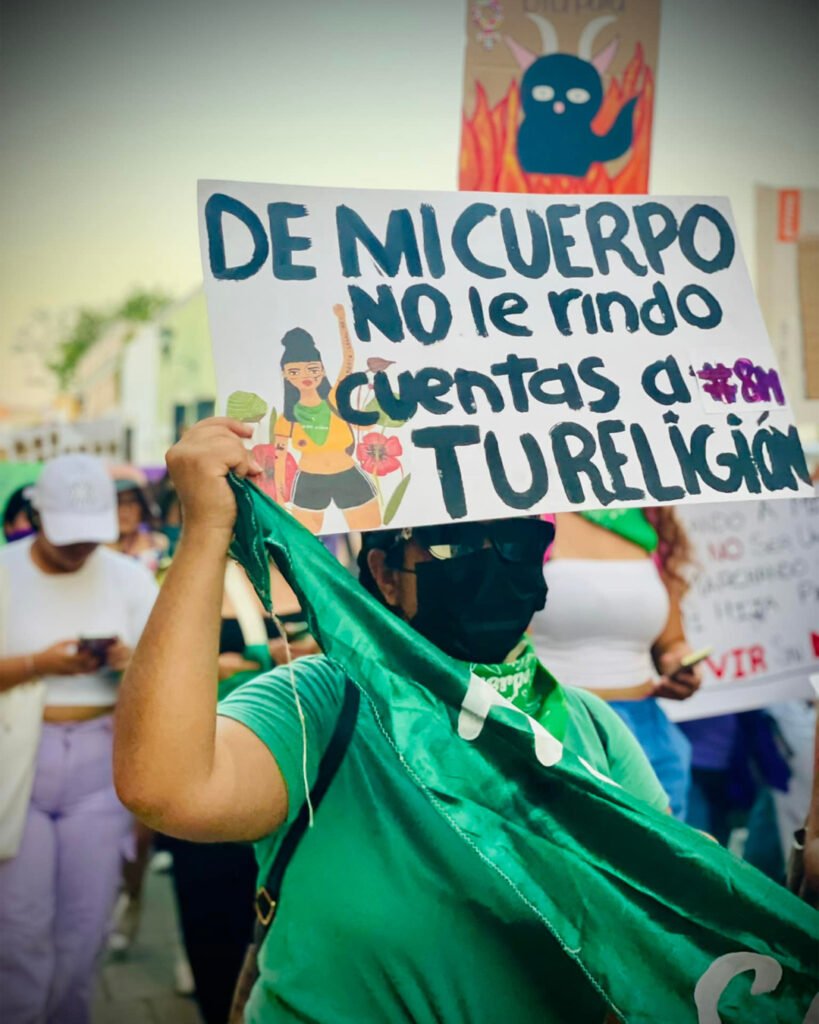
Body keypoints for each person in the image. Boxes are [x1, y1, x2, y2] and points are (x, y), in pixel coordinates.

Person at [114, 418, 672, 1024]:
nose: (486, 567)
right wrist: (205, 533)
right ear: (383, 575)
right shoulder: (320, 705)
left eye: (514, 541)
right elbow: (165, 787)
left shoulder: (589, 733)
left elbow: (664, 925)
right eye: (449, 545)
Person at [0, 454, 158, 1024]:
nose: (78, 550)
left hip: (100, 757)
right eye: (67, 535)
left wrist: (127, 660)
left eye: (89, 537)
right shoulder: (5, 571)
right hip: (19, 760)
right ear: (38, 515)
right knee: (18, 931)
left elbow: (161, 675)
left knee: (85, 926)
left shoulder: (130, 577)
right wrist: (37, 664)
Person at [529, 509, 702, 818]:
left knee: (669, 858)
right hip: (562, 727)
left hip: (650, 732)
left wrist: (682, 666)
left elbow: (672, 642)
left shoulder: (647, 520)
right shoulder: (530, 517)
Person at [273, 306, 381, 533]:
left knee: (372, 532)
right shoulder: (288, 418)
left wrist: (341, 320)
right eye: (294, 371)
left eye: (312, 369)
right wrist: (279, 495)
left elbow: (349, 358)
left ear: (322, 370)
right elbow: (279, 458)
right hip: (309, 482)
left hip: (348, 475)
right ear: (285, 374)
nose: (305, 376)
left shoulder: (334, 399)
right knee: (306, 545)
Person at [109, 470, 169, 575]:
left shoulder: (159, 544)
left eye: (131, 501)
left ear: (143, 506)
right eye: (118, 501)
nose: (124, 510)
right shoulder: (98, 552)